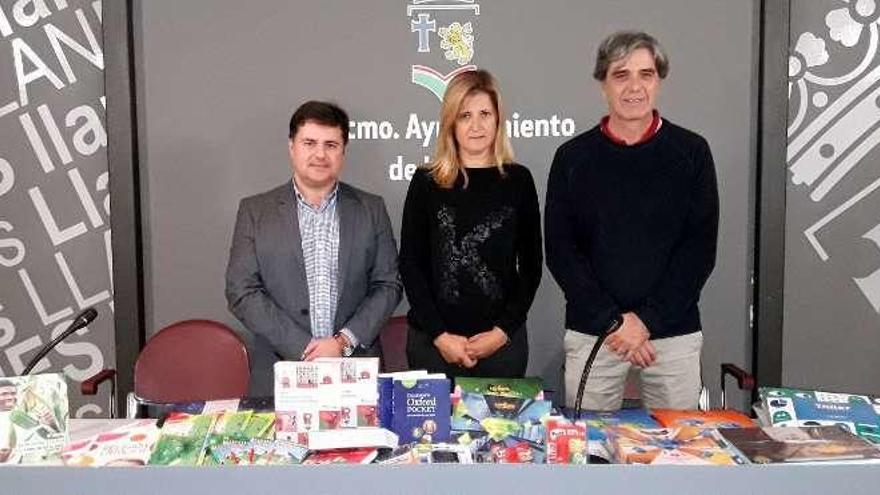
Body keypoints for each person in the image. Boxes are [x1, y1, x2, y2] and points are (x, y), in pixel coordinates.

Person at [545, 31, 719, 411]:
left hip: (672, 333)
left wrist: (646, 321)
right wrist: (614, 323)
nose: (635, 87)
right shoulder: (572, 157)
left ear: (659, 81)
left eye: (646, 74)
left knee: (679, 457)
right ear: (602, 84)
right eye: (621, 75)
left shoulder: (691, 153)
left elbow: (699, 251)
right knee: (586, 454)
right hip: (595, 333)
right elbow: (561, 251)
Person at [226, 100, 402, 395]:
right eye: (310, 142)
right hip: (280, 370)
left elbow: (388, 285)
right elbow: (240, 290)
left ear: (343, 152)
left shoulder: (371, 209)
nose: (320, 154)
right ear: (292, 146)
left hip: (353, 370)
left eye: (331, 145)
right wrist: (303, 347)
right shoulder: (255, 211)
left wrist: (343, 342)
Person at [400, 69, 542, 378]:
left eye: (484, 114)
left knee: (502, 428)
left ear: (498, 119)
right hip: (433, 346)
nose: (476, 125)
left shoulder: (518, 181)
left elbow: (531, 267)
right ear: (451, 122)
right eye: (465, 115)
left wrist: (501, 332)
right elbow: (411, 265)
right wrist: (440, 335)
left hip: (502, 347)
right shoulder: (426, 182)